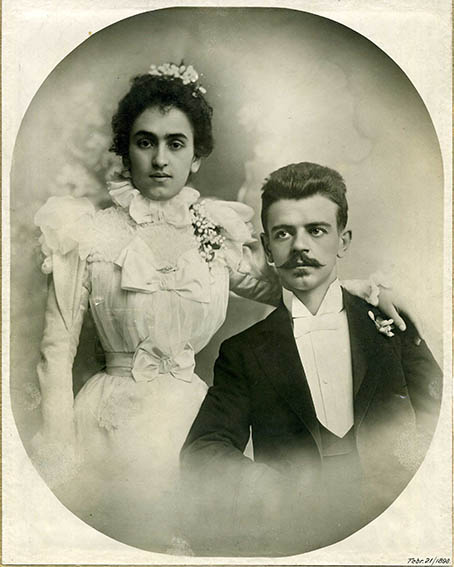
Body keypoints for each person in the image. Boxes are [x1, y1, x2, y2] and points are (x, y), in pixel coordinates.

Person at [33, 64, 416, 552]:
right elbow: (56, 349)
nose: (160, 159)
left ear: (196, 156)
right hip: (107, 426)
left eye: (176, 144)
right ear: (126, 151)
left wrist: (362, 289)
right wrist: (60, 455)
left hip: (190, 420)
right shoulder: (86, 234)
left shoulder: (212, 233)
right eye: (145, 142)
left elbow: (284, 282)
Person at [180, 162, 442, 556]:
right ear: (268, 247)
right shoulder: (244, 352)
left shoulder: (391, 326)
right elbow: (203, 449)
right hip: (296, 538)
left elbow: (442, 420)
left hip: (396, 531)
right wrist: (270, 488)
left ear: (343, 241)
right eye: (284, 233)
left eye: (317, 230)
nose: (300, 246)